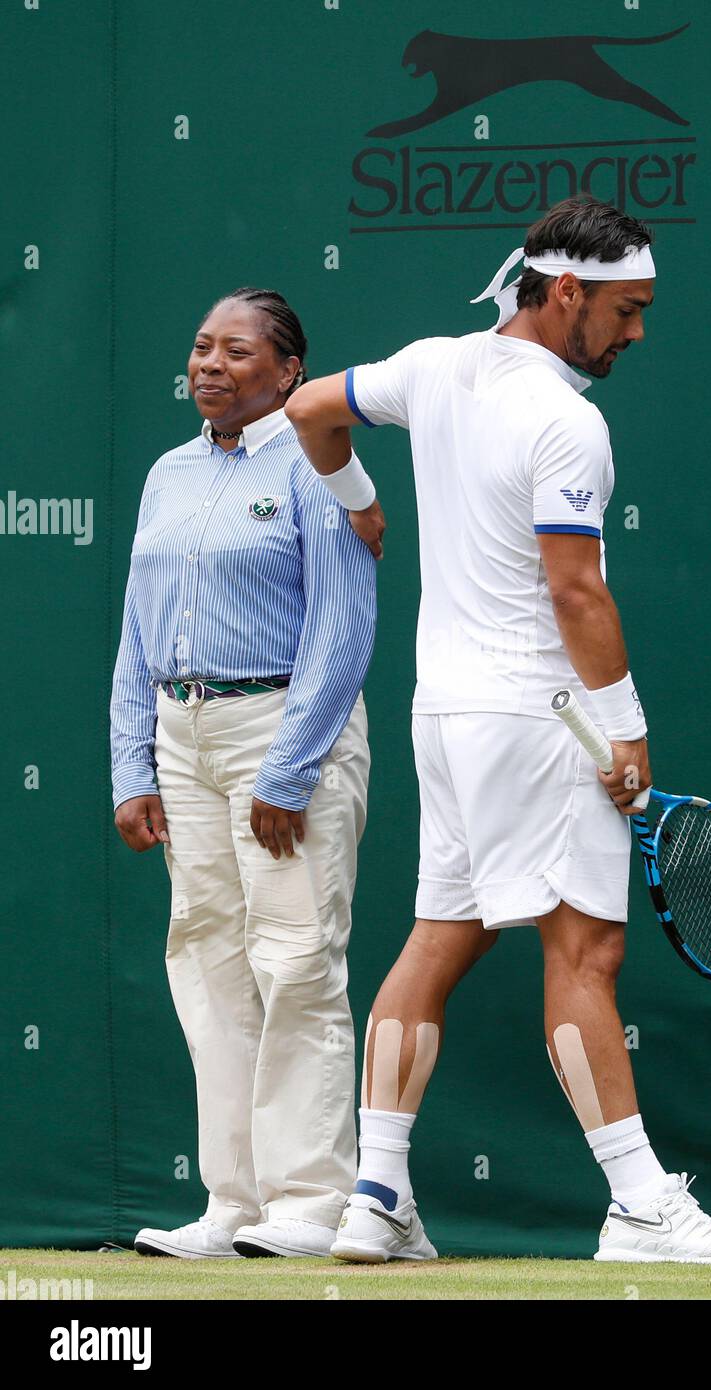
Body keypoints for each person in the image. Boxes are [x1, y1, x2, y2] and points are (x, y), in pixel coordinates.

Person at [284, 195, 711, 1265]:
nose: (637, 333)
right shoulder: (568, 421)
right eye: (627, 311)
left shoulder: (431, 364)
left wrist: (360, 501)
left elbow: (308, 411)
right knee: (586, 948)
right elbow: (575, 590)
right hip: (538, 717)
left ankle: (376, 1196)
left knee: (438, 937)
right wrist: (625, 726)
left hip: (445, 716)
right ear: (566, 295)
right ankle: (641, 1205)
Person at [110, 287, 376, 1259]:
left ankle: (310, 1204)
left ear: (289, 372)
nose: (209, 364)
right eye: (199, 346)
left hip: (283, 730)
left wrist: (292, 767)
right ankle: (231, 1205)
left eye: (236, 350)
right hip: (183, 739)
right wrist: (129, 762)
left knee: (298, 959)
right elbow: (138, 632)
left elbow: (345, 626)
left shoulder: (319, 461)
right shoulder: (166, 474)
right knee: (209, 958)